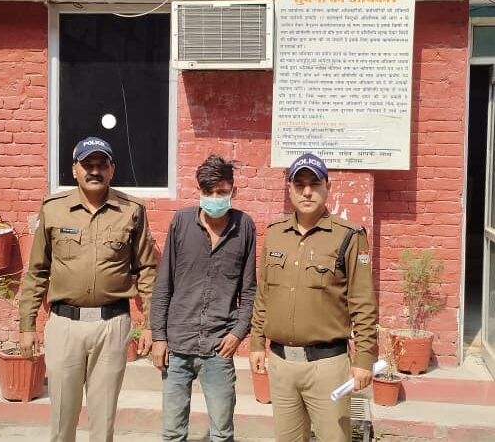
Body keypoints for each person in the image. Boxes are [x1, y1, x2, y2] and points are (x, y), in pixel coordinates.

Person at [19, 136, 158, 442]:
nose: (94, 171)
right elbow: (37, 271)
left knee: (103, 421)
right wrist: (27, 326)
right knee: (61, 421)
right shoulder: (53, 209)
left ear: (112, 169)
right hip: (64, 326)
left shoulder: (131, 210)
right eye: (87, 164)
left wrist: (151, 324)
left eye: (101, 164)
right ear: (74, 170)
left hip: (112, 326)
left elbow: (147, 270)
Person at [249, 152, 378, 442]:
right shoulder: (275, 234)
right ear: (289, 188)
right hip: (281, 364)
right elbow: (264, 293)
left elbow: (363, 302)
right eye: (299, 184)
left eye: (314, 183)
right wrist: (256, 343)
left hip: (327, 366)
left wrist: (364, 359)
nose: (307, 191)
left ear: (327, 187)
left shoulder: (349, 236)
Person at [150, 155, 257, 442]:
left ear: (233, 191)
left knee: (222, 432)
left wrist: (238, 332)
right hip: (178, 345)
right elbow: (163, 283)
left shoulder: (244, 227)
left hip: (219, 346)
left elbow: (249, 290)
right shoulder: (181, 222)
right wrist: (158, 337)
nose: (215, 199)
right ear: (198, 191)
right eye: (208, 192)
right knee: (172, 432)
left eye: (221, 192)